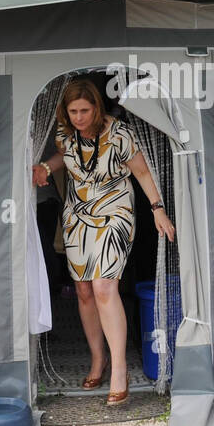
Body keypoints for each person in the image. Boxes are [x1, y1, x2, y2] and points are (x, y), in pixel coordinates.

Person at [32, 79, 175, 407]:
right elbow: (63, 156)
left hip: (114, 210)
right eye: (73, 111)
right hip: (77, 214)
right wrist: (44, 167)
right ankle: (99, 359)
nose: (79, 117)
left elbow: (140, 172)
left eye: (84, 110)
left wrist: (157, 209)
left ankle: (120, 369)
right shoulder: (66, 132)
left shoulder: (120, 132)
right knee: (83, 289)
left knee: (103, 287)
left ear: (96, 107)